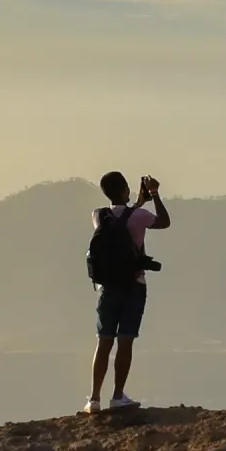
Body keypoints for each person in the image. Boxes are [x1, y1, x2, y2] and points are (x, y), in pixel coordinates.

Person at [85, 170, 169, 413]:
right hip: (134, 285)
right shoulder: (140, 216)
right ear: (124, 189)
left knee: (104, 342)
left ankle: (94, 399)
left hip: (107, 287)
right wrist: (154, 193)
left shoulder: (98, 216)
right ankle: (117, 396)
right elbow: (163, 221)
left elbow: (121, 219)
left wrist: (138, 203)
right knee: (125, 341)